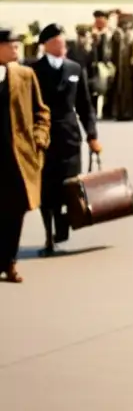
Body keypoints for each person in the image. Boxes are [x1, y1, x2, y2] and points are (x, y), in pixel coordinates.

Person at [30, 24, 99, 255]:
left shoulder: (75, 69)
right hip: (44, 138)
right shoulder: (33, 71)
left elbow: (85, 106)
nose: (63, 46)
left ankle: (62, 229)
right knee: (47, 190)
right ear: (46, 44)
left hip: (70, 138)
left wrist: (92, 136)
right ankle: (49, 237)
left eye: (64, 42)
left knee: (70, 186)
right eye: (58, 42)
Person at [0, 25, 51, 282]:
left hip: (17, 157)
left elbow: (41, 112)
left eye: (18, 45)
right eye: (11, 45)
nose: (16, 49)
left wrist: (39, 140)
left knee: (15, 210)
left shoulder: (25, 75)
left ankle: (9, 262)